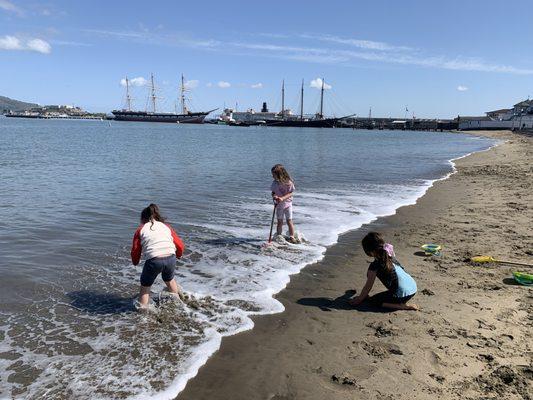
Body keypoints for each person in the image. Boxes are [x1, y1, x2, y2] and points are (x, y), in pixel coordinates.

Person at [131, 204, 185, 308]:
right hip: (170, 257)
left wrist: (135, 262)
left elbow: (135, 250)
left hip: (154, 260)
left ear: (143, 219)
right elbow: (180, 245)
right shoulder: (166, 227)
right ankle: (178, 305)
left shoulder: (140, 230)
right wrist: (178, 255)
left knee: (145, 288)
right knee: (170, 280)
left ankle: (143, 314)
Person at [350, 232, 418, 310]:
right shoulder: (390, 255)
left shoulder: (374, 266)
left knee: (373, 301)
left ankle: (402, 306)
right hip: (413, 288)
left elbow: (368, 287)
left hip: (402, 295)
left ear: (370, 252)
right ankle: (399, 301)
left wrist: (359, 299)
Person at [271, 164, 296, 243]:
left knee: (289, 221)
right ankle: (279, 235)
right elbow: (273, 192)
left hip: (288, 205)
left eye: (274, 175)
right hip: (279, 205)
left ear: (280, 175)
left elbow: (291, 193)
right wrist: (275, 197)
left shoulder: (288, 182)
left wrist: (282, 198)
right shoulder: (275, 183)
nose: (272, 177)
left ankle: (292, 236)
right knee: (279, 222)